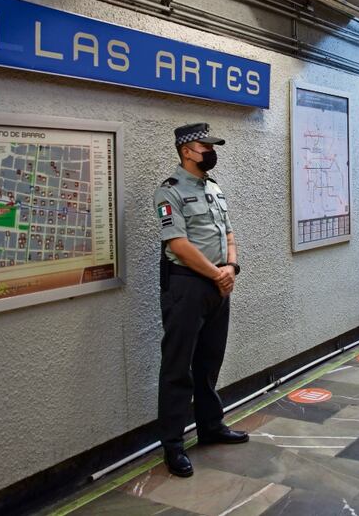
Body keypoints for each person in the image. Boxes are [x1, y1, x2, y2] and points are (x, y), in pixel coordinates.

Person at [154, 122, 247, 478]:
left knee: (209, 362)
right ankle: (173, 445)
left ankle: (210, 426)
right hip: (187, 286)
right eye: (205, 147)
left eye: (212, 147)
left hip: (218, 286)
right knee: (178, 368)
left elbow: (229, 233)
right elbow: (178, 245)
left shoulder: (214, 188)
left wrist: (231, 267)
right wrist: (217, 274)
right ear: (186, 151)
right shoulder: (169, 192)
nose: (211, 152)